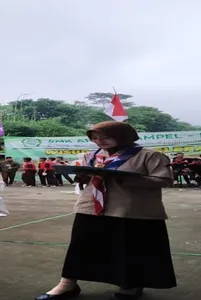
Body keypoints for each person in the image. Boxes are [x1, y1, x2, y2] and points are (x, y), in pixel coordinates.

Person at [36, 121, 176, 300]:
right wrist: (82, 176)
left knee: (129, 250)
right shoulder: (91, 155)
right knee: (80, 246)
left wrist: (122, 179)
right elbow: (88, 180)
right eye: (95, 138)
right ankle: (67, 284)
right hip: (91, 208)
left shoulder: (149, 156)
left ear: (124, 136)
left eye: (106, 137)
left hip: (132, 211)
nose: (99, 141)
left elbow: (164, 180)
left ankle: (130, 285)